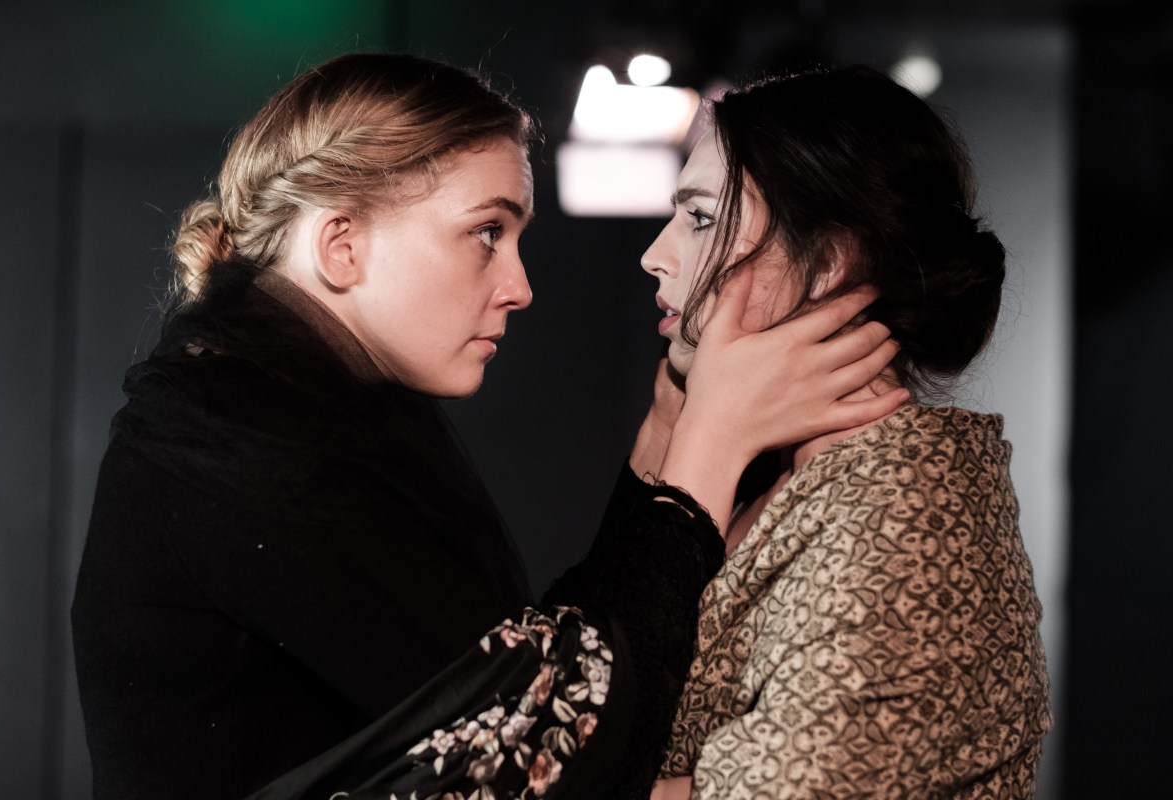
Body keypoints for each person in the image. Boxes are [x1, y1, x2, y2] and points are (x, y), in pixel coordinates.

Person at [70, 54, 906, 800]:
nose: (520, 286)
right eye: (486, 233)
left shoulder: (298, 405)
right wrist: (710, 447)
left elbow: (527, 668)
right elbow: (552, 748)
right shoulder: (241, 442)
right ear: (342, 246)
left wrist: (667, 433)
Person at [643, 66, 1051, 799]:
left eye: (700, 218)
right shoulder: (779, 477)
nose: (655, 255)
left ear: (828, 263)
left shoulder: (914, 511)